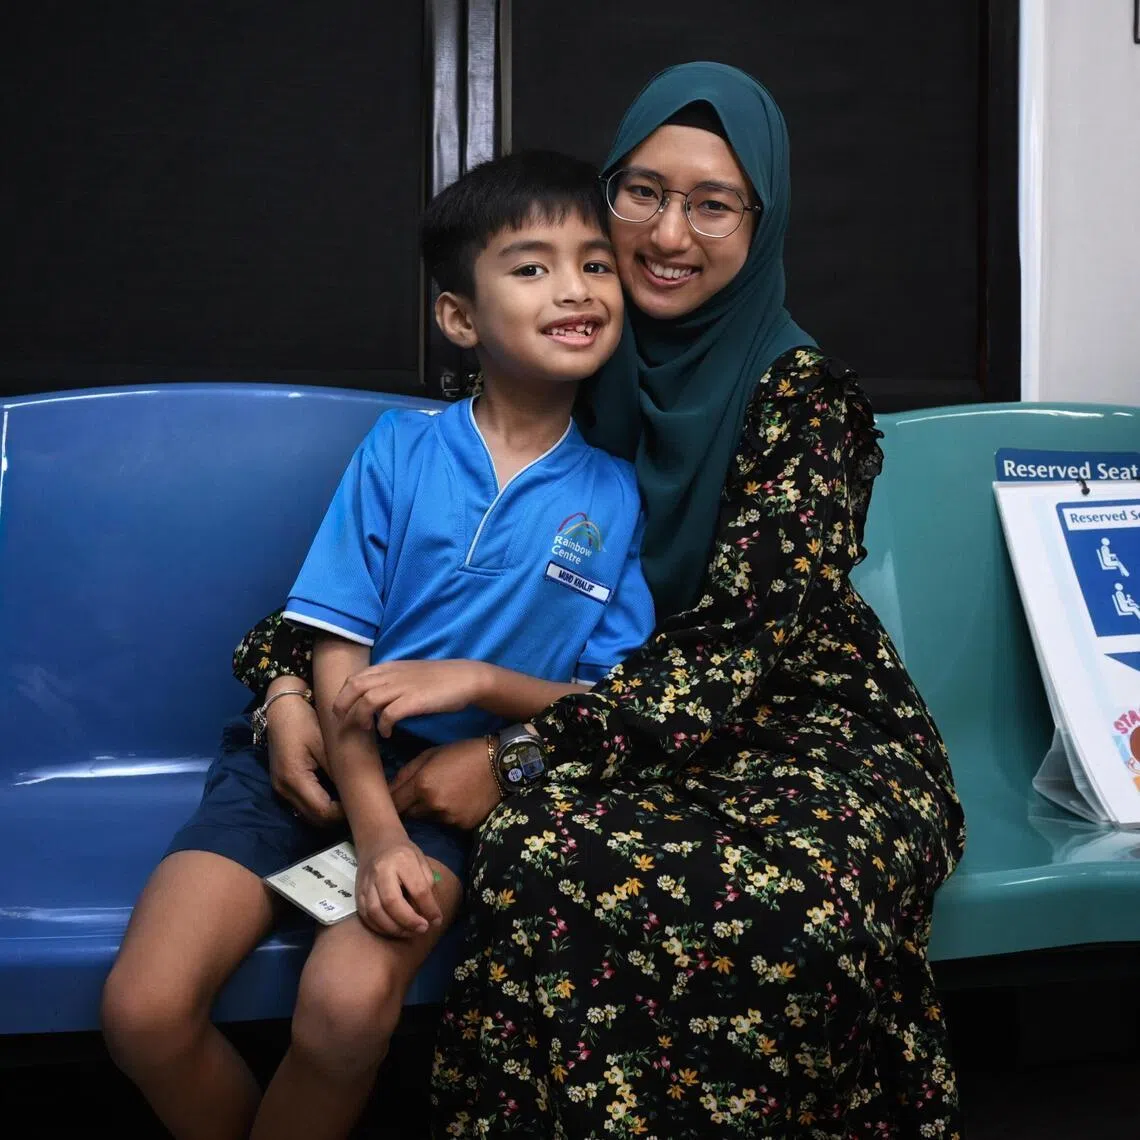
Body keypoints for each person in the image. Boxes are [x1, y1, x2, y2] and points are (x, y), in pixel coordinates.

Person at [229, 62, 966, 1138]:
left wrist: (516, 755)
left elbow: (727, 659)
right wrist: (286, 685)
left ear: (764, 222)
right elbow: (386, 574)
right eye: (643, 193)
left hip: (794, 731)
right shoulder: (569, 363)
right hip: (599, 712)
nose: (671, 234)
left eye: (714, 203)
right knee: (544, 855)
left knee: (774, 897)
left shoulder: (807, 401)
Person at [100, 149, 656, 1140]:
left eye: (595, 263)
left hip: (455, 805)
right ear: (459, 317)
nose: (573, 288)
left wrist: (486, 686)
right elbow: (336, 662)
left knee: (347, 1007)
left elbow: (611, 706)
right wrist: (376, 835)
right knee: (143, 1010)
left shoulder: (616, 496)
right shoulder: (399, 451)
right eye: (531, 267)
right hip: (307, 771)